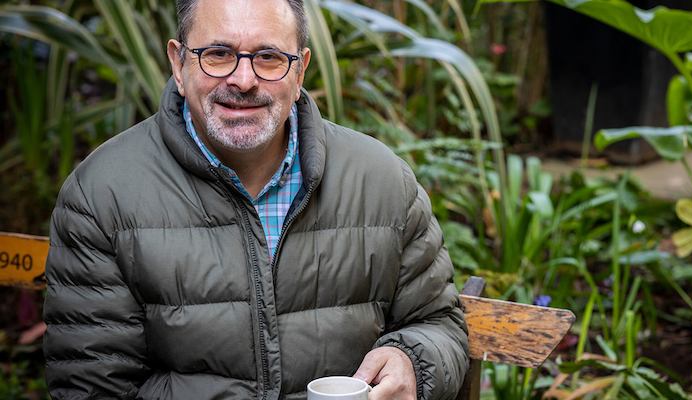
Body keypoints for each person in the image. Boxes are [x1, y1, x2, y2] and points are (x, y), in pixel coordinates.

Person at [42, 0, 469, 399]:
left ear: (300, 71)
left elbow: (438, 324)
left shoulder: (381, 180)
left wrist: (412, 361)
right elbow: (92, 384)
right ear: (178, 62)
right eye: (218, 54)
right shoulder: (101, 194)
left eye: (268, 57)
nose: (243, 80)